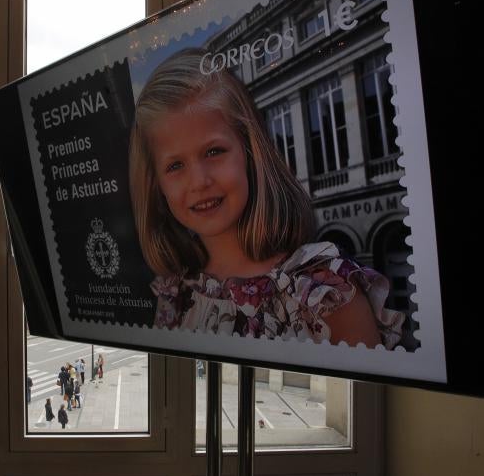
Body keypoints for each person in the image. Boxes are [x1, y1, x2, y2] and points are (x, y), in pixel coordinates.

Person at [128, 48, 404, 349]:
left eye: (214, 151)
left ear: (250, 151)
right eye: (175, 166)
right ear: (156, 185)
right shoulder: (174, 293)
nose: (199, 182)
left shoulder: (325, 294)